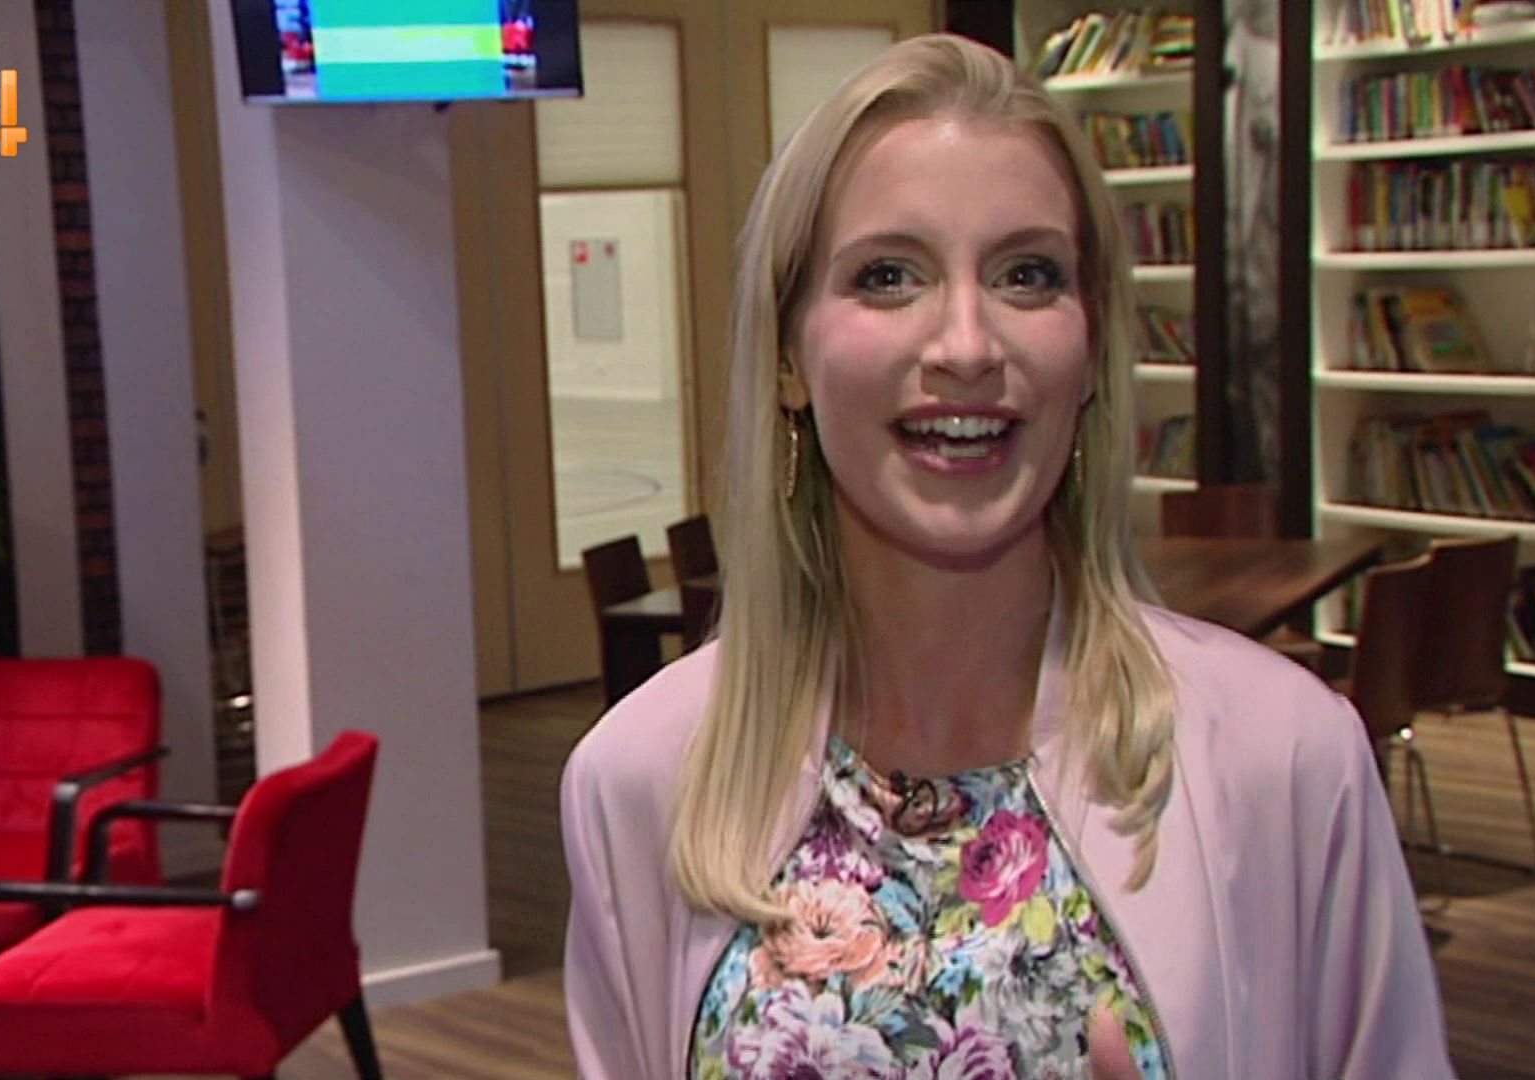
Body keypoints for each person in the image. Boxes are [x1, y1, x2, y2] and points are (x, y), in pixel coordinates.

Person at [560, 33, 1451, 1079]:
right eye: (888, 276)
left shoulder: (1285, 756)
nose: (968, 346)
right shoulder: (641, 777)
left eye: (1028, 275)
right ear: (789, 357)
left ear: (1091, 347)